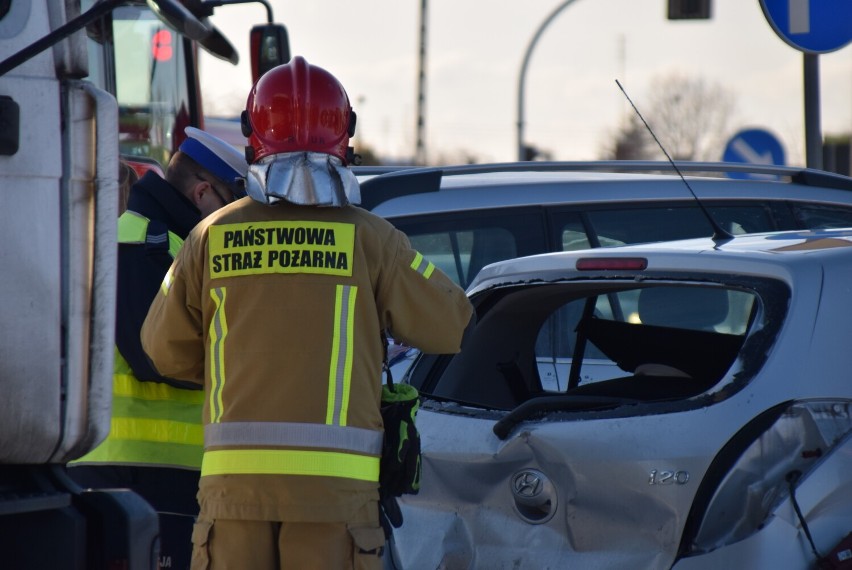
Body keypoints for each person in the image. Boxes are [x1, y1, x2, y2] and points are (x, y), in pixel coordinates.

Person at [140, 56, 473, 570]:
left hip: (234, 496)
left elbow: (163, 351)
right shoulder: (371, 238)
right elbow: (451, 325)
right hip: (334, 500)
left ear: (254, 138)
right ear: (345, 137)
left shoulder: (209, 237)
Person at [68, 127, 249, 570]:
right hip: (145, 472)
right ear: (204, 193)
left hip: (123, 468)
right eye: (233, 203)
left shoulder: (152, 239)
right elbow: (155, 356)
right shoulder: (143, 243)